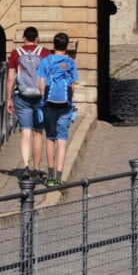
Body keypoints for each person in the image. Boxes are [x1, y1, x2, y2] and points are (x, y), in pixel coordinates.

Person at [36, 32, 79, 188]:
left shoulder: (46, 61)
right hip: (65, 106)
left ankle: (51, 176)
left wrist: (44, 98)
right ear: (67, 46)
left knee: (50, 138)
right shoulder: (70, 63)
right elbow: (73, 85)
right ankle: (60, 177)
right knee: (62, 140)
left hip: (49, 105)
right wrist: (69, 98)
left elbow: (41, 85)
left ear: (53, 45)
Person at [6, 26, 49, 180]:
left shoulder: (16, 53)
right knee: (38, 133)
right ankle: (37, 169)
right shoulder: (45, 53)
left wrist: (9, 99)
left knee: (25, 131)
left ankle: (25, 167)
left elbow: (11, 77)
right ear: (37, 38)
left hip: (22, 97)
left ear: (24, 38)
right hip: (40, 97)